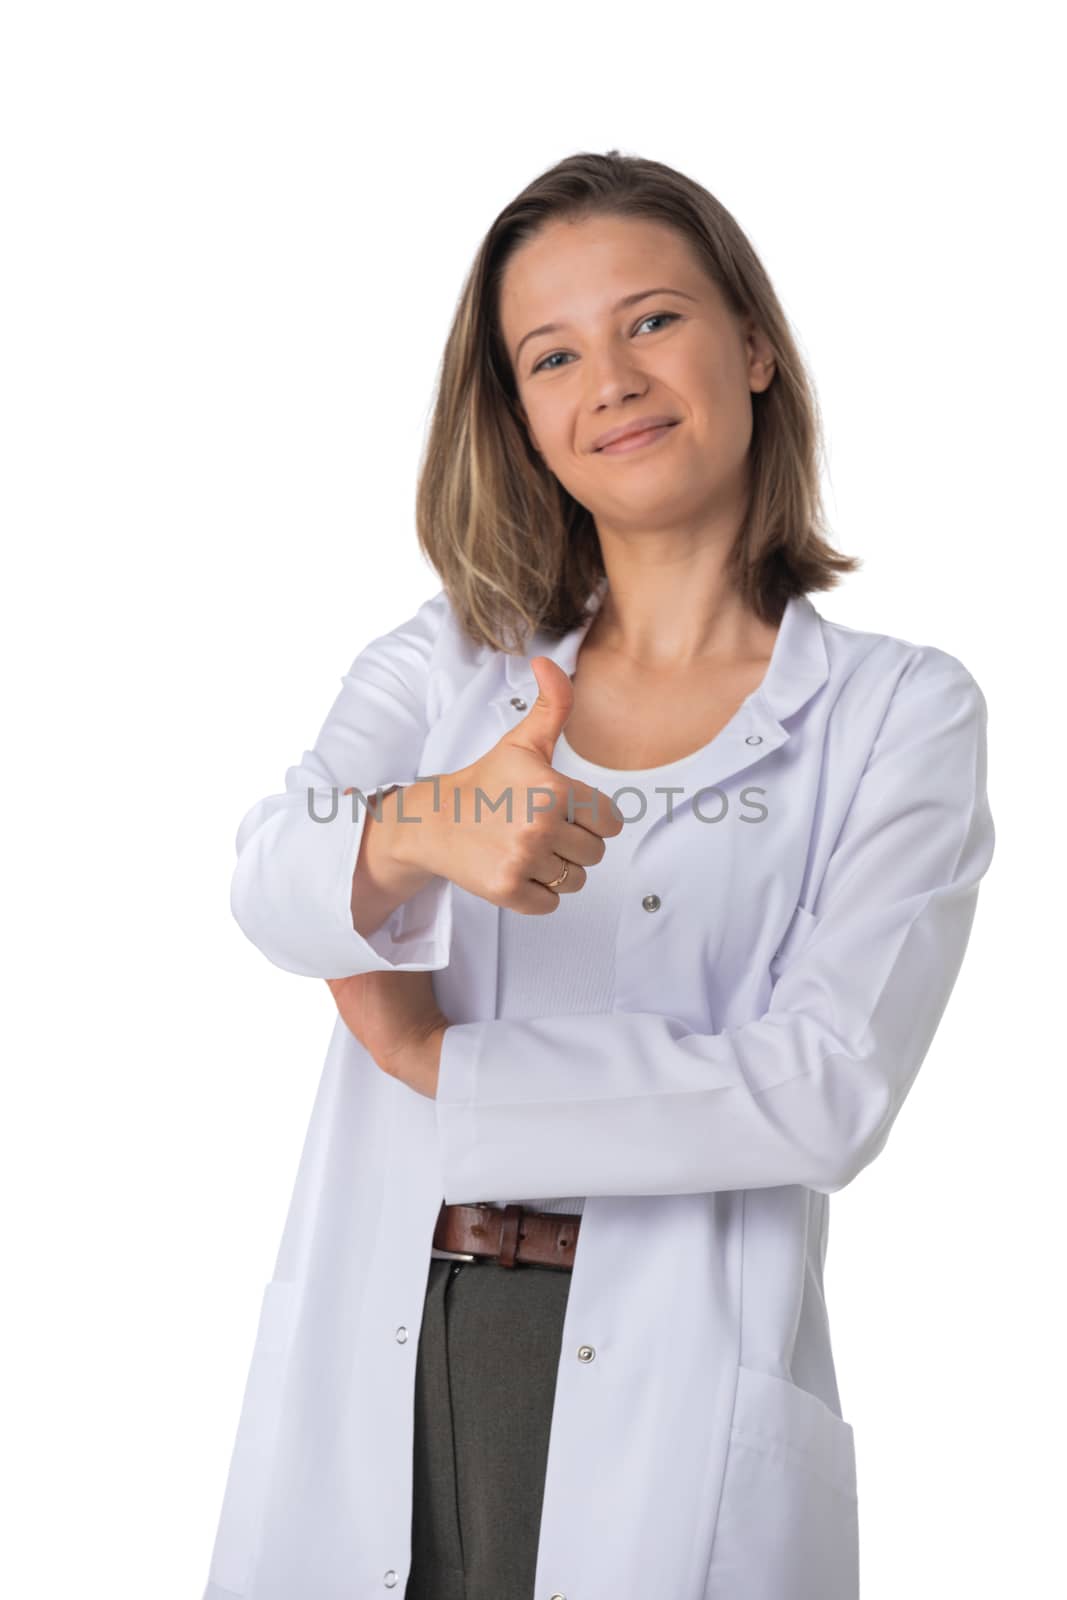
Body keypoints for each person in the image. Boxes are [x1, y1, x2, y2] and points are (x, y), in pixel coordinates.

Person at [201, 151, 995, 1600]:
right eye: (552, 354)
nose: (610, 380)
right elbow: (269, 873)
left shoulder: (901, 713)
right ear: (521, 417)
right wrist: (419, 828)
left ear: (752, 346)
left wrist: (443, 1065)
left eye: (653, 322)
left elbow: (824, 1088)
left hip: (674, 1383)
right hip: (389, 1338)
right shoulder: (447, 660)